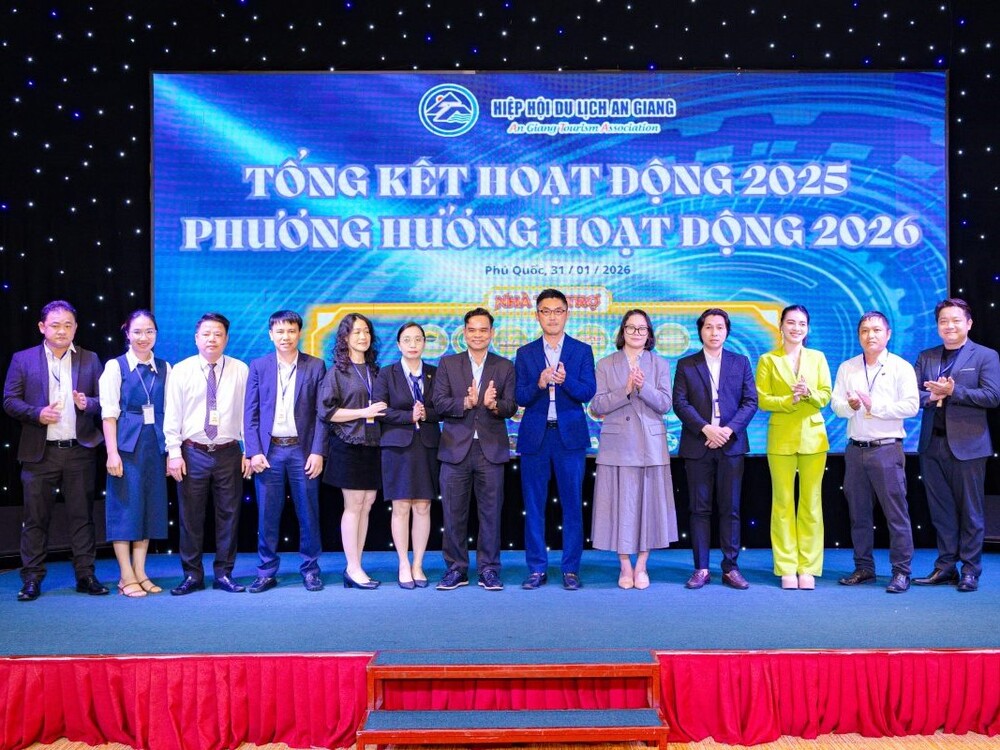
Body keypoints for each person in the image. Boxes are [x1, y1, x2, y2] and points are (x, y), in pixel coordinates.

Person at [3, 300, 108, 601]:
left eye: (68, 325)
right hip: (40, 453)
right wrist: (37, 413)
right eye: (55, 325)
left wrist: (88, 404)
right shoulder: (23, 359)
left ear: (75, 327)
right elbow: (9, 400)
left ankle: (85, 576)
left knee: (82, 517)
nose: (62, 330)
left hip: (79, 451)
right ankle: (32, 579)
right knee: (35, 519)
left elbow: (105, 400)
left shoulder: (90, 358)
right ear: (42, 327)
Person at [913, 298, 1000, 592]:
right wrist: (933, 396)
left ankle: (970, 570)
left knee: (971, 512)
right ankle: (946, 567)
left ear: (969, 323)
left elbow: (992, 396)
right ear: (937, 326)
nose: (949, 326)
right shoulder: (926, 356)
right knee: (941, 512)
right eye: (943, 321)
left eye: (955, 320)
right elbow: (911, 395)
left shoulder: (985, 355)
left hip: (969, 446)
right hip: (931, 445)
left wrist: (954, 391)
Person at [831, 311, 919, 594]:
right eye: (865, 331)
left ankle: (901, 572)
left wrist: (874, 406)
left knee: (896, 515)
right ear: (859, 335)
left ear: (888, 334)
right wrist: (851, 407)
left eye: (877, 330)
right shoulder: (848, 367)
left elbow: (911, 406)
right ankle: (864, 568)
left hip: (887, 449)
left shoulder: (901, 367)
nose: (870, 335)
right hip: (855, 450)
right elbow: (836, 405)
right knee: (858, 515)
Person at [515, 289, 596, 591]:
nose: (552, 317)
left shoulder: (581, 350)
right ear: (537, 315)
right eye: (546, 311)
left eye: (558, 311)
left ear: (566, 314)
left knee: (572, 505)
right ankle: (537, 568)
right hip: (535, 438)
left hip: (569, 438)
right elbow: (519, 396)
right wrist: (539, 383)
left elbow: (588, 391)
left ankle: (571, 569)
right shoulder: (525, 353)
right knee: (533, 506)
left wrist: (566, 381)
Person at [164, 312, 251, 595]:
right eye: (206, 334)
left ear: (226, 338)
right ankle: (192, 575)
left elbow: (247, 414)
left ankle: (224, 574)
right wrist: (174, 452)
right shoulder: (181, 370)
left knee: (229, 515)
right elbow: (172, 413)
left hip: (229, 452)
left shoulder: (240, 369)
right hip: (193, 452)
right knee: (190, 517)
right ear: (196, 338)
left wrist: (248, 451)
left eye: (218, 334)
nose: (212, 339)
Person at [591, 309, 678, 590]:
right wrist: (626, 390)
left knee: (647, 507)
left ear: (649, 333)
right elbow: (597, 406)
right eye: (631, 327)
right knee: (621, 507)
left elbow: (665, 404)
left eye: (642, 328)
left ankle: (641, 565)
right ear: (623, 331)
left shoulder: (660, 364)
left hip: (650, 446)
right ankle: (624, 566)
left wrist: (643, 387)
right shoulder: (605, 364)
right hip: (617, 446)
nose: (636, 333)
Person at [672, 308, 758, 590]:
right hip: (698, 444)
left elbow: (750, 401)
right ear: (701, 331)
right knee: (699, 509)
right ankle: (701, 568)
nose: (714, 332)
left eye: (719, 327)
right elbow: (680, 403)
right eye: (708, 327)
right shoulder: (686, 365)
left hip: (731, 445)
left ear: (727, 331)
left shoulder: (740, 362)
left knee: (731, 509)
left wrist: (727, 431)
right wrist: (705, 428)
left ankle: (731, 568)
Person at [432, 307, 517, 591]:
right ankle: (456, 569)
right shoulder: (448, 364)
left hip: (490, 450)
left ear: (491, 333)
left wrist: (494, 405)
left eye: (483, 330)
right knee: (453, 513)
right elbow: (438, 403)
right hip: (455, 450)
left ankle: (489, 569)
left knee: (490, 514)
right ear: (464, 333)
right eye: (472, 330)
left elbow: (511, 406)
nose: (477, 335)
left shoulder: (504, 366)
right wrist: (465, 403)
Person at [244, 310, 327, 593]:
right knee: (267, 515)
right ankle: (266, 571)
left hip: (303, 452)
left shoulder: (315, 366)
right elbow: (251, 413)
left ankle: (311, 570)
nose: (285, 337)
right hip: (269, 452)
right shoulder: (259, 366)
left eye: (291, 331)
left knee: (309, 513)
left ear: (299, 333)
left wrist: (318, 451)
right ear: (271, 334)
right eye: (279, 331)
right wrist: (253, 451)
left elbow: (321, 414)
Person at [755, 304, 832, 590]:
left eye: (801, 323)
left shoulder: (818, 357)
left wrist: (809, 393)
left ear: (807, 328)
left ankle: (808, 567)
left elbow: (826, 395)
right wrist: (789, 400)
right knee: (783, 503)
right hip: (781, 438)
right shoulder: (767, 360)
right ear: (781, 326)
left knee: (811, 503)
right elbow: (762, 399)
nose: (796, 328)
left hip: (814, 437)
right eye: (791, 322)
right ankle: (786, 566)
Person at [99, 309, 170, 598]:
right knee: (125, 508)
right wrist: (111, 453)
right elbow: (108, 414)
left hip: (155, 446)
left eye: (149, 331)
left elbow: (170, 411)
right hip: (126, 448)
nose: (143, 337)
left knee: (149, 508)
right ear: (127, 333)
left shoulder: (165, 367)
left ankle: (140, 572)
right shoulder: (115, 367)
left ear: (156, 334)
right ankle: (125, 575)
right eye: (137, 332)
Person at [320, 312, 385, 590]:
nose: (363, 336)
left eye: (366, 331)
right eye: (356, 332)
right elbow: (327, 412)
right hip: (348, 444)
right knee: (353, 505)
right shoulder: (337, 372)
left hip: (373, 444)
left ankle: (356, 565)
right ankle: (352, 567)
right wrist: (363, 412)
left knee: (367, 503)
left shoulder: (375, 370)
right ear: (345, 337)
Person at [373, 322, 441, 589]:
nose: (413, 344)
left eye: (418, 339)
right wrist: (407, 416)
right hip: (396, 448)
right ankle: (403, 563)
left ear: (424, 343)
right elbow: (379, 409)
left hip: (427, 445)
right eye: (407, 340)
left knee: (423, 506)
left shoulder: (435, 373)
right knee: (401, 506)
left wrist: (426, 414)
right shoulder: (386, 373)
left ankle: (418, 564)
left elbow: (443, 408)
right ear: (399, 344)